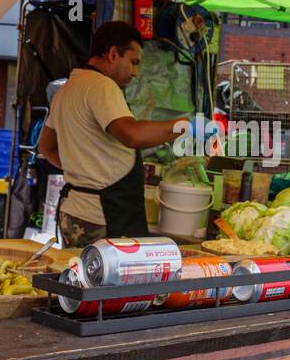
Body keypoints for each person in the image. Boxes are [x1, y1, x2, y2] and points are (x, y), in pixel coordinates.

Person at [35, 21, 189, 247]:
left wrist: (82, 169)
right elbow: (131, 134)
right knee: (108, 280)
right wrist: (186, 126)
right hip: (103, 214)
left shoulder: (66, 90)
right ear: (113, 54)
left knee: (79, 277)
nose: (136, 73)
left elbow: (45, 147)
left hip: (75, 211)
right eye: (134, 62)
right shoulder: (101, 86)